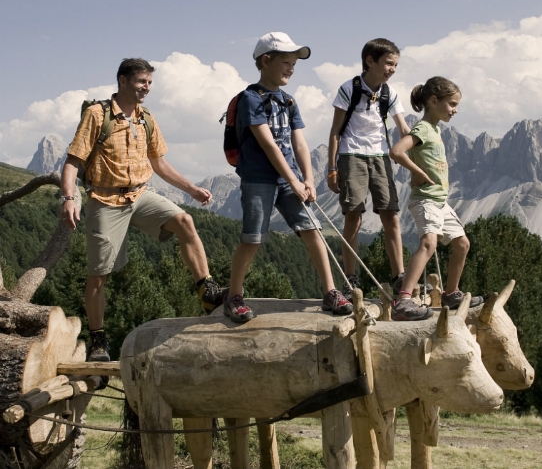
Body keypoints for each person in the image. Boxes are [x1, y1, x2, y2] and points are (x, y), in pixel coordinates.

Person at [60, 58, 223, 363]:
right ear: (122, 81)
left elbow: (159, 163)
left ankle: (207, 291)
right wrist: (68, 198)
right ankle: (98, 339)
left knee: (184, 221)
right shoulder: (98, 115)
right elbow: (73, 161)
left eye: (149, 82)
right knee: (99, 275)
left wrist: (191, 189)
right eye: (141, 82)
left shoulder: (146, 117)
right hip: (105, 200)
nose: (147, 88)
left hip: (140, 195)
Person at [225, 31, 349, 323]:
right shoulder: (250, 99)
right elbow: (268, 144)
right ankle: (234, 295)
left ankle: (330, 292)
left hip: (289, 178)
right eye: (286, 62)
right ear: (266, 61)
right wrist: (294, 181)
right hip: (259, 179)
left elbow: (300, 143)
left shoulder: (289, 101)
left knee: (312, 229)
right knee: (253, 238)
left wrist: (308, 177)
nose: (291, 68)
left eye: (294, 63)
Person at [389, 76, 484, 318]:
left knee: (462, 244)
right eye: (452, 104)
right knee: (429, 244)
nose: (455, 110)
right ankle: (403, 301)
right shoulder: (422, 129)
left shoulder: (435, 128)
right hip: (425, 200)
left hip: (440, 202)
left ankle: (451, 294)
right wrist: (418, 172)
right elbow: (397, 151)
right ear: (433, 101)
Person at [326, 38, 412, 299]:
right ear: (370, 61)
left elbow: (403, 128)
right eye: (388, 63)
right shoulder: (348, 89)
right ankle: (350, 279)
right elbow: (335, 132)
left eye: (395, 64)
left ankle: (399, 277)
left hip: (380, 156)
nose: (392, 69)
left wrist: (422, 146)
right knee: (353, 216)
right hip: (351, 155)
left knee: (391, 216)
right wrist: (332, 169)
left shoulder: (390, 93)